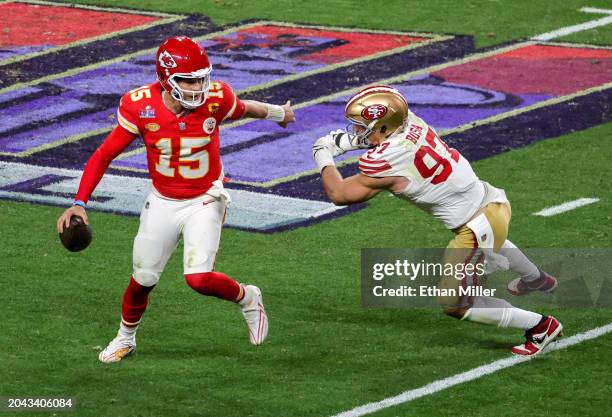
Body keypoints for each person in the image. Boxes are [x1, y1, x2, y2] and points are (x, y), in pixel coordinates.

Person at [57, 36, 295, 363]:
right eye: (189, 79)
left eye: (201, 77)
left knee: (197, 278)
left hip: (207, 197)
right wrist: (79, 202)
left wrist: (279, 113)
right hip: (164, 199)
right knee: (142, 279)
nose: (199, 86)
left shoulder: (216, 98)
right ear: (166, 79)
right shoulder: (140, 106)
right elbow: (104, 154)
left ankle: (248, 297)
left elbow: (244, 108)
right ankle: (126, 338)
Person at [311, 85, 561, 356]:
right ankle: (535, 279)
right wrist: (353, 141)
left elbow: (339, 193)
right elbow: (385, 136)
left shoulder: (385, 162)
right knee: (494, 243)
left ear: (383, 127)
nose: (357, 132)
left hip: (476, 229)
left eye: (361, 127)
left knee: (454, 303)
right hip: (493, 203)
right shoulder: (411, 121)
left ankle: (540, 326)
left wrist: (323, 152)